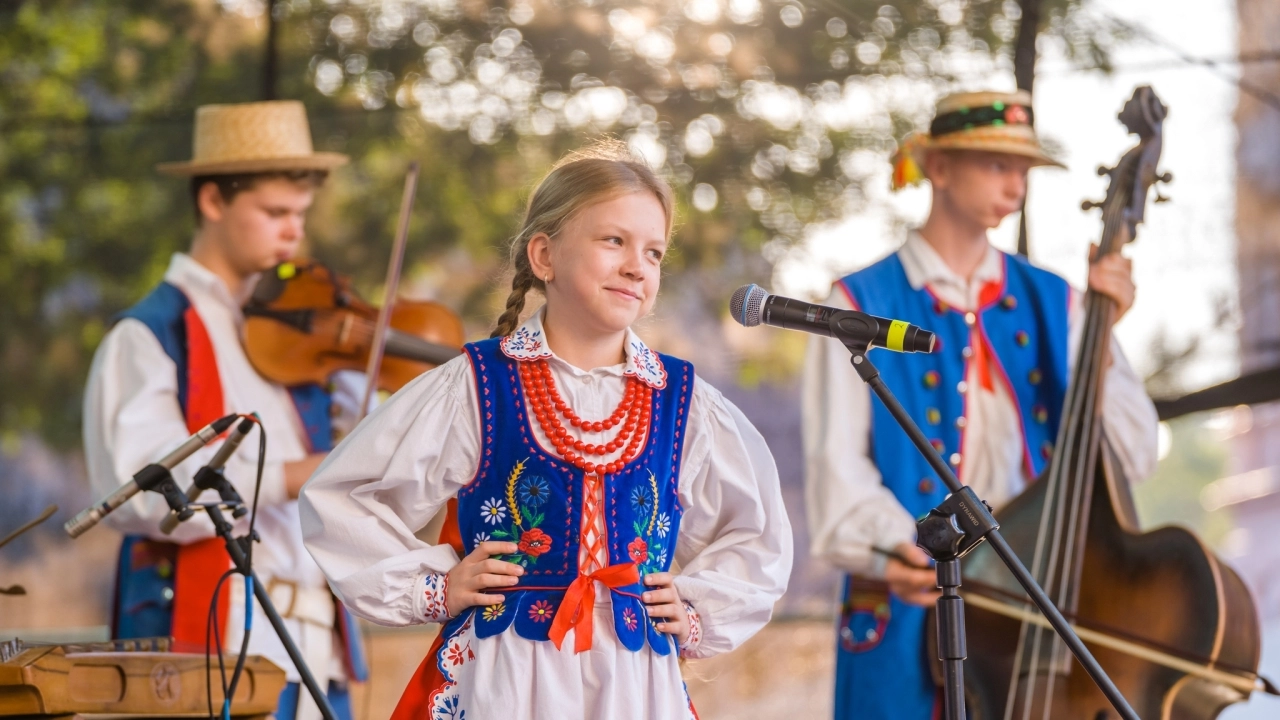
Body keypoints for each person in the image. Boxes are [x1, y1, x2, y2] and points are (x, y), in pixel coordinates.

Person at [298, 140, 793, 719]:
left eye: (654, 252)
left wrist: (694, 609)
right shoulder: (477, 385)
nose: (637, 265)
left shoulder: (684, 404)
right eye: (614, 241)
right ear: (544, 255)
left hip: (632, 685)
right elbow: (341, 497)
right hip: (506, 674)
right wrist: (438, 585)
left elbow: (756, 534)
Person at [801, 90, 1159, 720]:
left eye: (1022, 170)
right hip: (909, 613)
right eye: (997, 165)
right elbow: (838, 474)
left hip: (1034, 616)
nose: (1015, 185)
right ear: (937, 168)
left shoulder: (1060, 301)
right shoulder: (858, 299)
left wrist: (1105, 336)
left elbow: (1133, 455)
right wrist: (905, 543)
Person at [82, 100, 366, 720]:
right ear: (212, 202)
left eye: (300, 215)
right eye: (274, 213)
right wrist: (299, 472)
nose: (294, 232)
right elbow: (143, 494)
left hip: (317, 651)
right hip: (218, 644)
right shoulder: (152, 334)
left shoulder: (298, 338)